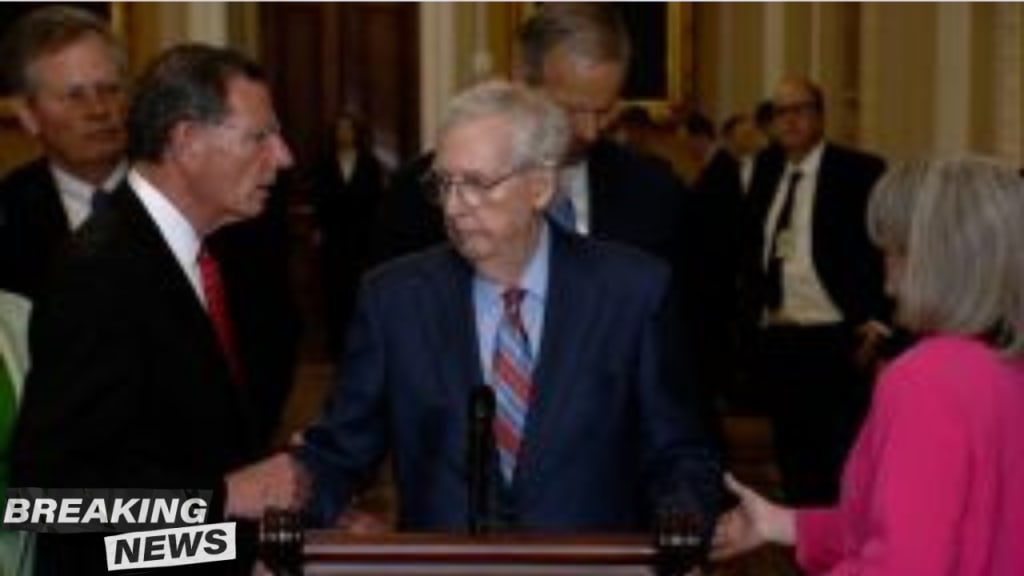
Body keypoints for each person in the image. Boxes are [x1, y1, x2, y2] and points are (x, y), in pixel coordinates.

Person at [296, 80, 720, 536]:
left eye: (477, 184)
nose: (454, 207)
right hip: (444, 566)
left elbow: (679, 453)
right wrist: (302, 512)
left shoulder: (632, 292)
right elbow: (339, 450)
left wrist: (682, 532)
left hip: (589, 565)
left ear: (540, 186)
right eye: (444, 184)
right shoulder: (394, 299)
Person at [10, 44, 307, 574]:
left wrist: (246, 545)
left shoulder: (216, 252)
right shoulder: (99, 273)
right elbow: (51, 502)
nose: (283, 157)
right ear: (187, 141)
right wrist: (222, 499)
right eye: (259, 137)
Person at [713, 157, 1024, 575]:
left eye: (894, 243)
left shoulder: (927, 379)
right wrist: (784, 523)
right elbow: (927, 521)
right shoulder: (1002, 365)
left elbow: (903, 565)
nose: (883, 259)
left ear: (932, 255)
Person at [739, 76, 888, 505]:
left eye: (800, 110)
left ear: (820, 116)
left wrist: (880, 319)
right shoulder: (763, 169)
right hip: (780, 337)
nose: (789, 121)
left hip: (837, 336)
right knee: (793, 457)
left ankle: (843, 544)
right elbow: (750, 250)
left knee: (840, 460)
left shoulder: (858, 171)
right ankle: (802, 540)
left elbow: (887, 244)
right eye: (780, 112)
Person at [0, 6, 128, 301]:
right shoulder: (9, 212)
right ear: (29, 115)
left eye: (110, 90)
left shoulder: (181, 190)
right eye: (75, 96)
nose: (99, 110)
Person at [312, 113, 388, 357]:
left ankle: (362, 344)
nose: (344, 133)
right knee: (334, 293)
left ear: (356, 132)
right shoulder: (324, 163)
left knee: (360, 291)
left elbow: (376, 200)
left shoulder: (370, 164)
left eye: (348, 128)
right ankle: (336, 347)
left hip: (362, 240)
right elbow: (319, 198)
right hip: (334, 238)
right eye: (340, 128)